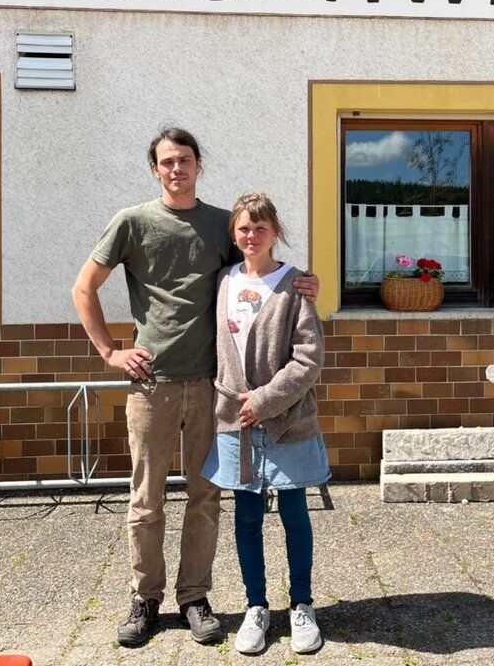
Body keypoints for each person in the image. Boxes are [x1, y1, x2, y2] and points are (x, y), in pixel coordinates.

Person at [71, 128, 317, 649]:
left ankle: (195, 597)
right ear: (155, 170)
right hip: (151, 386)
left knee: (205, 497)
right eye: (167, 162)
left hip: (211, 386)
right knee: (146, 499)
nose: (176, 168)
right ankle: (145, 598)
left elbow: (258, 264)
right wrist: (110, 352)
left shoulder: (219, 224)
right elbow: (84, 287)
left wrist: (307, 283)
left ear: (198, 165)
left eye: (184, 160)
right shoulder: (132, 222)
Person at [201, 192, 330, 656]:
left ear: (275, 232)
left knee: (295, 514)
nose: (251, 237)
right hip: (235, 422)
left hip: (287, 420)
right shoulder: (222, 281)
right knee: (247, 515)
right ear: (234, 235)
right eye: (243, 229)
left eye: (260, 228)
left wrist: (265, 400)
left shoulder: (296, 284)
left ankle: (301, 605)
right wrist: (241, 403)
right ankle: (257, 606)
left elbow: (309, 359)